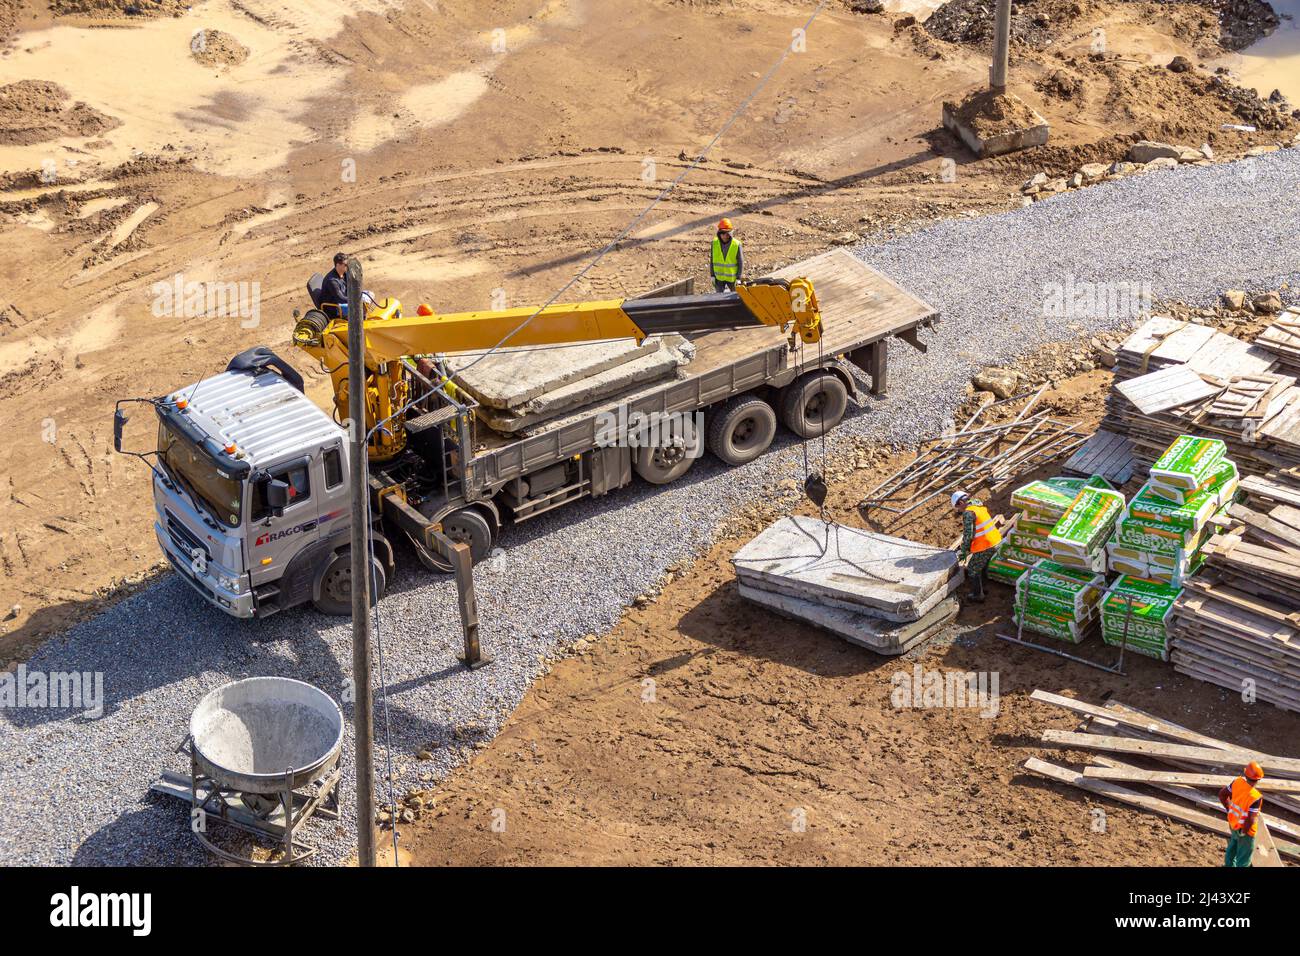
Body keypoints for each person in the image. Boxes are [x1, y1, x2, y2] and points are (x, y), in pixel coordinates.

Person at [952, 490, 1001, 602]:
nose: (959, 510)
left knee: (972, 569)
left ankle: (977, 595)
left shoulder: (968, 513)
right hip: (996, 540)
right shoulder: (978, 507)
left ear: (960, 503)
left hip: (985, 544)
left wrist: (964, 550)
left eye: (958, 507)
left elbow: (968, 535)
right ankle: (983, 588)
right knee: (981, 565)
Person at [1219, 762, 1265, 867]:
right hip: (1245, 831)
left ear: (1246, 775)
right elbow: (1250, 819)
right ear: (1258, 779)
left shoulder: (1237, 782)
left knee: (1233, 847)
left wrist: (1229, 810)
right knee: (1243, 859)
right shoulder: (1255, 797)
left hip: (1233, 823)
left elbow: (1222, 794)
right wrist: (1244, 832)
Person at [710, 218, 743, 292]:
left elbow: (741, 262)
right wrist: (712, 275)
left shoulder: (737, 244)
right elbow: (712, 260)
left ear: (730, 233)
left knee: (735, 297)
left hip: (732, 278)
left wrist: (738, 278)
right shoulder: (714, 243)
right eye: (723, 233)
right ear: (719, 233)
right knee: (719, 298)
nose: (725, 236)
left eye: (727, 233)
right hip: (719, 278)